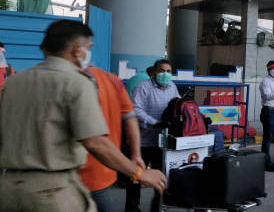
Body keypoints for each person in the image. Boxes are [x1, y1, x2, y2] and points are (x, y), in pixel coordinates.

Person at [0, 20, 165, 212]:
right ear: (78, 49)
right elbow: (95, 142)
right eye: (89, 47)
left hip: (9, 189)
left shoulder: (13, 82)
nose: (88, 53)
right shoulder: (77, 82)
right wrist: (139, 173)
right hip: (51, 194)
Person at [77, 66, 145, 212]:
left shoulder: (72, 79)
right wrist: (136, 155)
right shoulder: (113, 79)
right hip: (104, 168)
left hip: (76, 172)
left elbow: (93, 142)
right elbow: (130, 117)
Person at [127, 59, 180, 212]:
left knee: (161, 177)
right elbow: (135, 109)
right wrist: (154, 122)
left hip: (161, 142)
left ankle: (157, 208)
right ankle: (131, 209)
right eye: (162, 70)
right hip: (141, 140)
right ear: (153, 73)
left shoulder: (172, 87)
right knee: (135, 178)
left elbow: (177, 105)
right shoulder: (143, 87)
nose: (165, 74)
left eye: (169, 71)